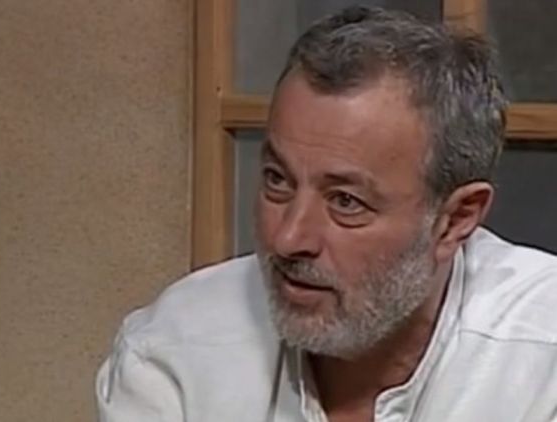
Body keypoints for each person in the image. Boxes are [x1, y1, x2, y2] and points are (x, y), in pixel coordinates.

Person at [96, 6, 557, 421]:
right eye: (277, 180)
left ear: (455, 220)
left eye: (345, 202)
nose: (288, 238)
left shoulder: (544, 358)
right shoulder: (173, 350)